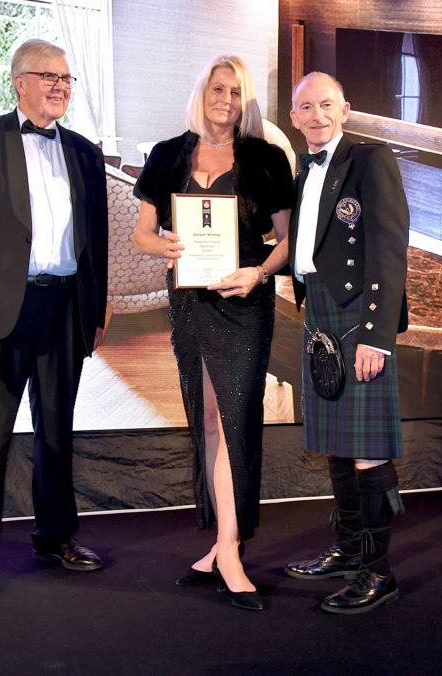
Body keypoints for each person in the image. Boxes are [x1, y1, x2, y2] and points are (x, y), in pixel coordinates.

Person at [0, 38, 108, 596]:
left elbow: (97, 241)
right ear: (18, 81)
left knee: (57, 428)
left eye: (66, 78)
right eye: (48, 76)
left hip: (65, 308)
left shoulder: (85, 151)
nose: (60, 86)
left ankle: (55, 535)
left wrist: (97, 305)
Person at [132, 55, 294, 611]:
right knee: (204, 418)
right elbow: (143, 235)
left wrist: (259, 272)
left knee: (237, 419)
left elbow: (286, 242)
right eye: (217, 88)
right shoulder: (168, 154)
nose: (225, 99)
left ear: (245, 101)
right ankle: (221, 540)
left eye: (236, 92)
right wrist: (171, 246)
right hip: (188, 302)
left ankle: (231, 547)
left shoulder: (265, 158)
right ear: (202, 91)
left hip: (243, 302)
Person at [283, 72, 409, 614]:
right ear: (294, 117)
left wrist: (376, 336)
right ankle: (346, 549)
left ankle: (377, 573)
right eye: (306, 107)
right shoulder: (303, 167)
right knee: (336, 442)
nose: (317, 116)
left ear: (346, 108)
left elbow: (388, 245)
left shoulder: (369, 158)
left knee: (366, 448)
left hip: (360, 313)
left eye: (326, 105)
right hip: (320, 310)